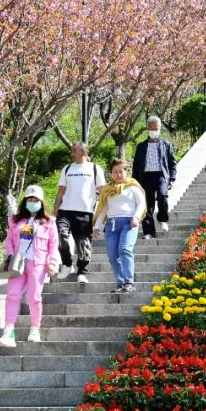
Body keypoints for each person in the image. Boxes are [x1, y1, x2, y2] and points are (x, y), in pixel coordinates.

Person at [0, 185, 59, 348]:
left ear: (41, 202)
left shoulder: (49, 222)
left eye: (36, 200)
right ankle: (9, 331)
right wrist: (11, 255)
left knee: (34, 297)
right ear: (25, 201)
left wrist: (52, 262)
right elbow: (9, 239)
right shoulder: (15, 220)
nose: (33, 202)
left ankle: (35, 329)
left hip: (37, 263)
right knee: (12, 294)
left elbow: (53, 244)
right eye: (30, 199)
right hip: (18, 263)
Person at [52, 142, 104, 285]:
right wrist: (55, 209)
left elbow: (103, 193)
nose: (71, 153)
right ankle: (67, 264)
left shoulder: (95, 169)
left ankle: (82, 271)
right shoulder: (67, 168)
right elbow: (61, 190)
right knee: (60, 236)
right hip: (65, 210)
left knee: (83, 243)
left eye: (74, 150)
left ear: (83, 152)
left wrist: (100, 214)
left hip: (85, 212)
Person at [92, 158, 145, 293]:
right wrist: (97, 226)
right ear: (111, 173)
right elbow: (103, 209)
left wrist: (137, 217)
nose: (118, 174)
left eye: (120, 171)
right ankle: (120, 283)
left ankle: (129, 282)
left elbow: (141, 204)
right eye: (115, 172)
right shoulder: (108, 189)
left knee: (125, 249)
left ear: (126, 171)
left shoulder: (133, 186)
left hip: (129, 223)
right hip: (111, 225)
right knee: (112, 255)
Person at [131, 115, 177, 238]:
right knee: (147, 204)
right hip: (145, 177)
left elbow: (172, 163)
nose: (154, 131)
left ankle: (162, 218)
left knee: (162, 196)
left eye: (156, 129)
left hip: (161, 175)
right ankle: (148, 232)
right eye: (151, 129)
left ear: (160, 128)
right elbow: (136, 165)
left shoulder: (166, 145)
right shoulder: (141, 146)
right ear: (147, 128)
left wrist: (172, 179)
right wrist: (134, 182)